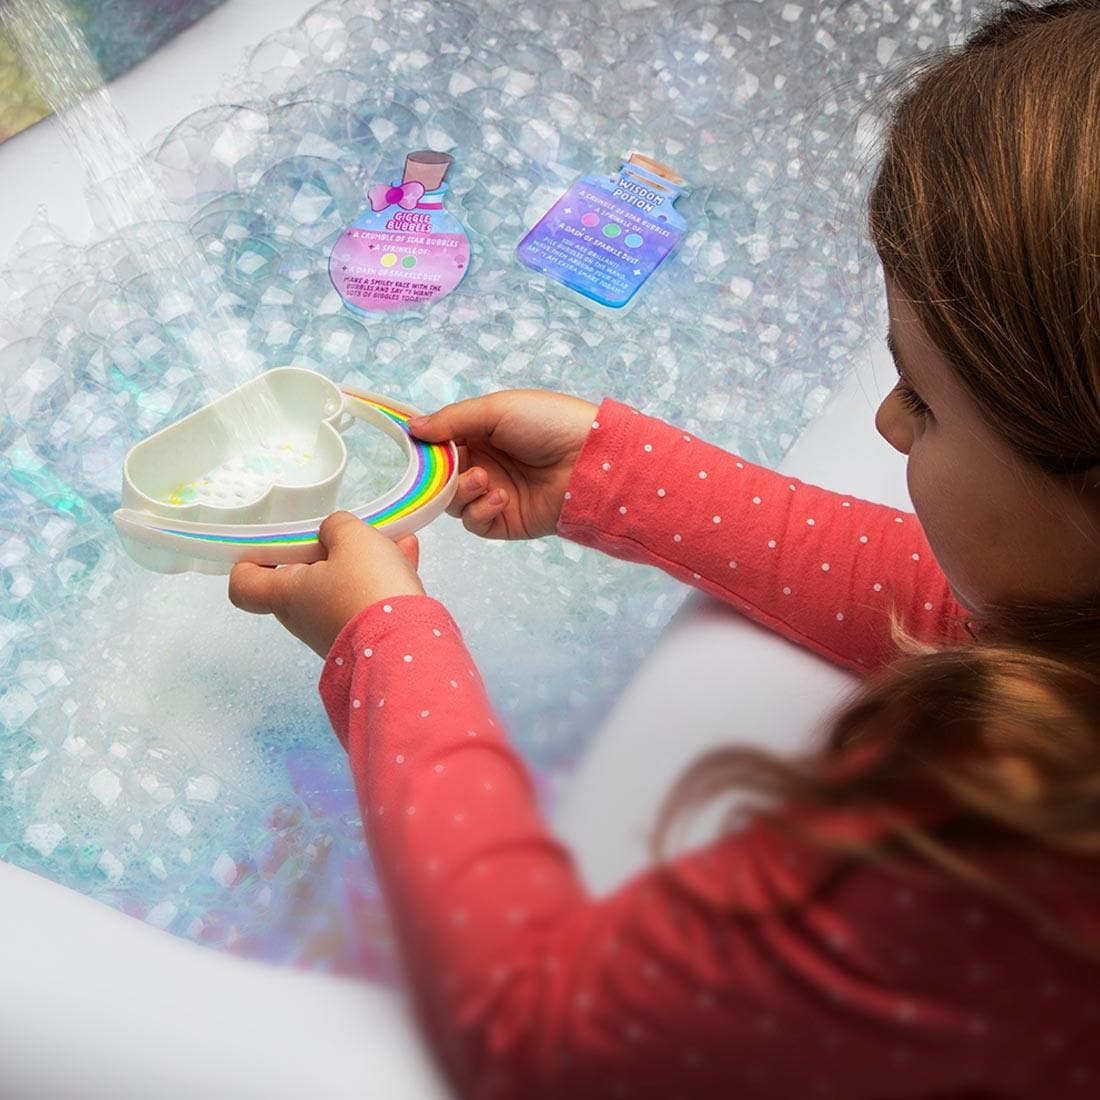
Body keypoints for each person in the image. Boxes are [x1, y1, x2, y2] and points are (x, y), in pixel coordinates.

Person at [228, 2, 1100, 1095]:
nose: (884, 422)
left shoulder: (1002, 847)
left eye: (920, 399)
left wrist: (381, 638)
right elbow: (947, 604)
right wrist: (613, 473)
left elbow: (536, 1021)